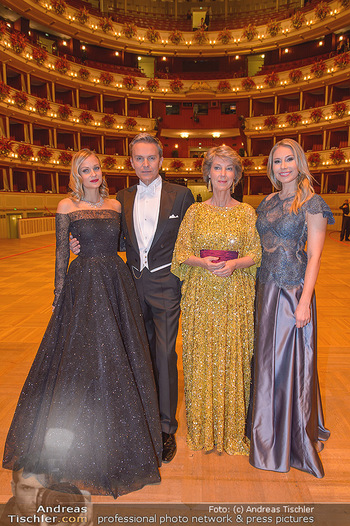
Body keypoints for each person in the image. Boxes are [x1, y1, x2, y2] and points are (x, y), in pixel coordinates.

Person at [2, 149, 162, 498]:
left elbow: (121, 244)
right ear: (76, 175)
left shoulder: (116, 205)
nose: (92, 173)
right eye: (84, 169)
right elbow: (61, 254)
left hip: (115, 283)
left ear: (102, 172)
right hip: (82, 284)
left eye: (95, 168)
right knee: (78, 362)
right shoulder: (66, 207)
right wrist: (60, 296)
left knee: (118, 357)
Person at [70, 134, 194, 462]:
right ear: (131, 162)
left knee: (165, 355)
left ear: (161, 160)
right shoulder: (121, 198)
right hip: (129, 285)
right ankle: (143, 418)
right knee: (136, 354)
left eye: (150, 158)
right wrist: (79, 242)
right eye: (138, 159)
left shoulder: (182, 196)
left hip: (167, 286)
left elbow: (192, 239)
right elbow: (111, 237)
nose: (145, 164)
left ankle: (166, 428)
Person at [248, 138, 334, 478]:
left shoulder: (312, 203)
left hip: (291, 291)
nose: (283, 166)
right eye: (277, 161)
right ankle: (264, 428)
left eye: (289, 160)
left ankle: (288, 436)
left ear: (299, 163)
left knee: (286, 363)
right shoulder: (267, 201)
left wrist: (303, 302)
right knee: (265, 362)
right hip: (264, 289)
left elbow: (314, 257)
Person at [171, 145, 261, 455]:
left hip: (235, 299)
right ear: (208, 173)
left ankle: (233, 431)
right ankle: (203, 432)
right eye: (217, 168)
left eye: (229, 169)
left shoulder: (246, 212)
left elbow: (256, 254)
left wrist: (236, 264)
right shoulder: (195, 212)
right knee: (202, 361)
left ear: (236, 176)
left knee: (233, 360)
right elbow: (180, 254)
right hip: (200, 298)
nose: (222, 174)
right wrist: (202, 263)